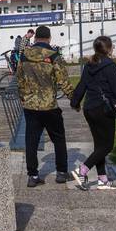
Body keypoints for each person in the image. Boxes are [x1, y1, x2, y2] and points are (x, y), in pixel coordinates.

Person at [69, 35, 116, 190]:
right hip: (103, 110)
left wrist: (75, 103)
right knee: (107, 146)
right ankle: (82, 170)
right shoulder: (110, 66)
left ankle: (102, 180)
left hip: (89, 109)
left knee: (99, 145)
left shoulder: (89, 65)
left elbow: (81, 85)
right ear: (109, 49)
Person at [16, 25, 74, 187]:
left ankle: (33, 176)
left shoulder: (24, 56)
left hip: (31, 106)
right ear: (49, 38)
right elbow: (63, 81)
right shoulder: (54, 56)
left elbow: (19, 79)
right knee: (59, 139)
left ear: (35, 39)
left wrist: (23, 97)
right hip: (50, 106)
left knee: (31, 141)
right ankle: (61, 173)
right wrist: (74, 100)